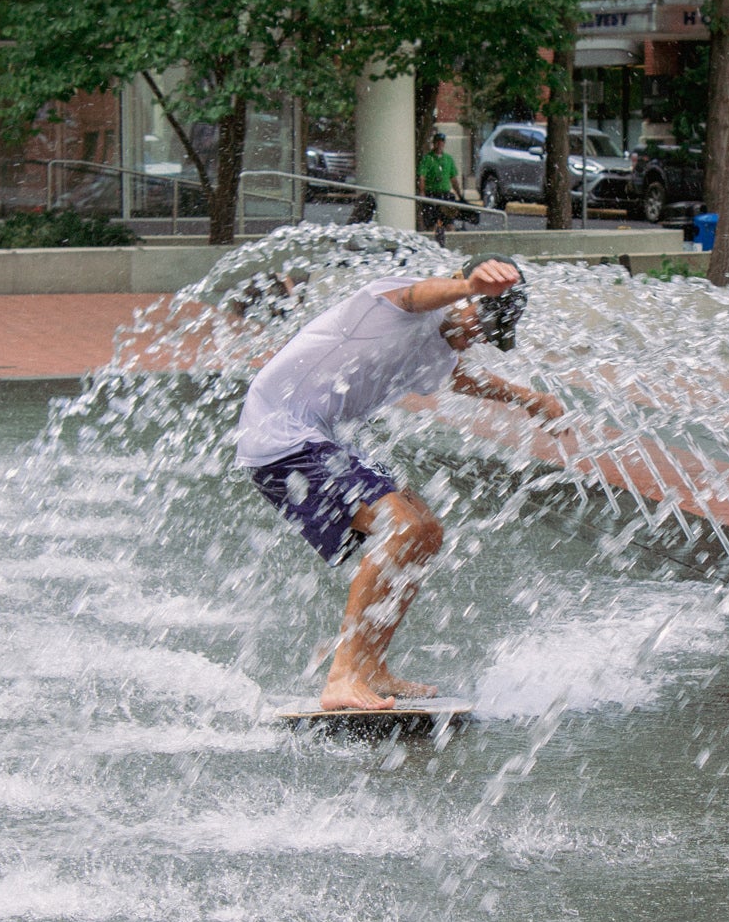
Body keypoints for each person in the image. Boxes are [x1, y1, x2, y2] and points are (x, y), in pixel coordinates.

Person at [236, 255, 565, 711]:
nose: (475, 334)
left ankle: (370, 666)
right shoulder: (394, 300)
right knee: (400, 528)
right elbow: (416, 296)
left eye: (486, 331)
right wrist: (470, 286)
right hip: (281, 436)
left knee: (425, 531)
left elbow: (457, 377)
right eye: (478, 318)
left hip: (315, 440)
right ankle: (343, 676)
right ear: (458, 286)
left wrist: (529, 398)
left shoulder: (439, 346)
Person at [417, 129, 460, 234]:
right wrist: (422, 193)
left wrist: (459, 194)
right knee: (432, 224)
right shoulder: (428, 159)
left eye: (442, 142)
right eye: (437, 141)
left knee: (449, 223)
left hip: (445, 195)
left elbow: (453, 178)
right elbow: (422, 177)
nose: (440, 144)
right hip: (432, 195)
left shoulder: (448, 159)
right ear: (434, 143)